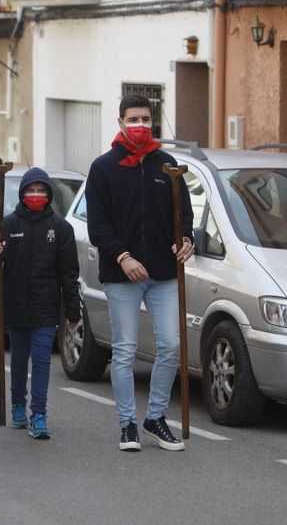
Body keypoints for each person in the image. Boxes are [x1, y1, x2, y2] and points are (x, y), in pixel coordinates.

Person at [86, 94, 193, 453]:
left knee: (171, 345)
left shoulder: (167, 165)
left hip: (163, 273)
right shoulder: (103, 168)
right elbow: (98, 225)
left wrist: (187, 239)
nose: (141, 125)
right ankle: (128, 424)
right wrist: (123, 257)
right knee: (125, 349)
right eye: (134, 119)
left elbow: (185, 216)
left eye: (146, 119)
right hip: (123, 275)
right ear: (120, 123)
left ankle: (155, 418)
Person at [0, 167, 81, 439]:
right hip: (14, 305)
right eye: (31, 190)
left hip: (46, 307)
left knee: (41, 360)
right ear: (22, 192)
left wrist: (73, 311)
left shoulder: (61, 228)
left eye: (41, 190)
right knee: (19, 359)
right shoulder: (8, 224)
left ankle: (39, 413)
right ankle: (17, 405)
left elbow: (69, 274)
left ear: (48, 194)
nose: (35, 195)